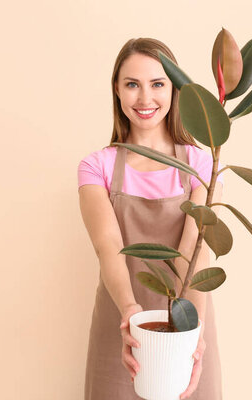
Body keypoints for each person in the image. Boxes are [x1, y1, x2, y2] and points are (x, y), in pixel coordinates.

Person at [77, 38, 224, 400]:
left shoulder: (202, 166)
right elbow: (108, 246)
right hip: (121, 327)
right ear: (117, 89)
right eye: (132, 84)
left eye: (157, 84)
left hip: (189, 324)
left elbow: (195, 249)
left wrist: (194, 333)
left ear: (174, 90)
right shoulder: (97, 167)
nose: (145, 99)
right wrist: (130, 314)